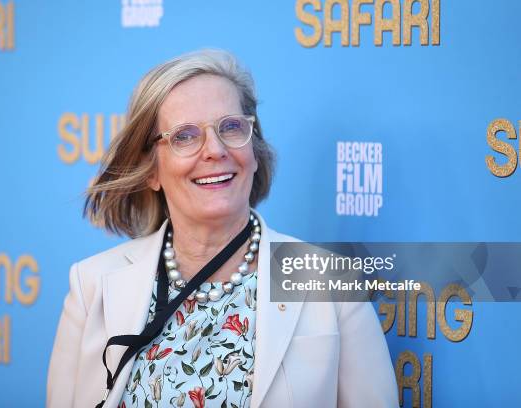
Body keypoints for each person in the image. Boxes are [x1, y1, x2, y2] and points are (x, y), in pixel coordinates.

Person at [47, 49, 397, 408]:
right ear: (151, 169)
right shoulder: (92, 286)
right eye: (184, 136)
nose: (215, 150)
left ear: (255, 150)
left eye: (231, 127)